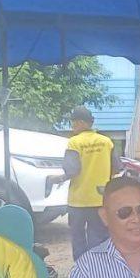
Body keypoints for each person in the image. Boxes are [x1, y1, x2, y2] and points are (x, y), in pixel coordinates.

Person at [52, 106, 119, 260]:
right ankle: (97, 267)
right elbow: (116, 167)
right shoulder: (106, 142)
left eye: (73, 122)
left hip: (78, 201)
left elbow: (72, 170)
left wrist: (59, 178)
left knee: (78, 238)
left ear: (81, 123)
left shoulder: (74, 142)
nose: (72, 126)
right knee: (99, 236)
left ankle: (82, 268)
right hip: (100, 199)